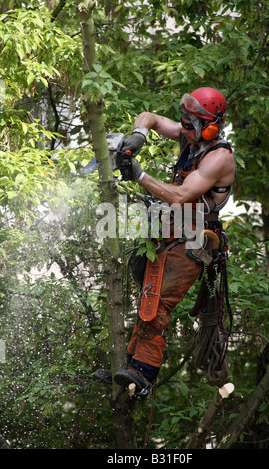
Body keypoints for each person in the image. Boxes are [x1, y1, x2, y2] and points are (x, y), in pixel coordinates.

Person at [93, 87, 236, 396]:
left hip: (194, 240)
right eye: (182, 123)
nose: (183, 129)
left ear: (209, 125)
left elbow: (182, 194)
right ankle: (129, 365)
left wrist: (140, 175)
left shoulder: (219, 158)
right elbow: (152, 118)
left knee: (158, 302)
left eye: (189, 124)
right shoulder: (191, 135)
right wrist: (137, 136)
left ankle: (143, 376)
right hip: (171, 231)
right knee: (147, 296)